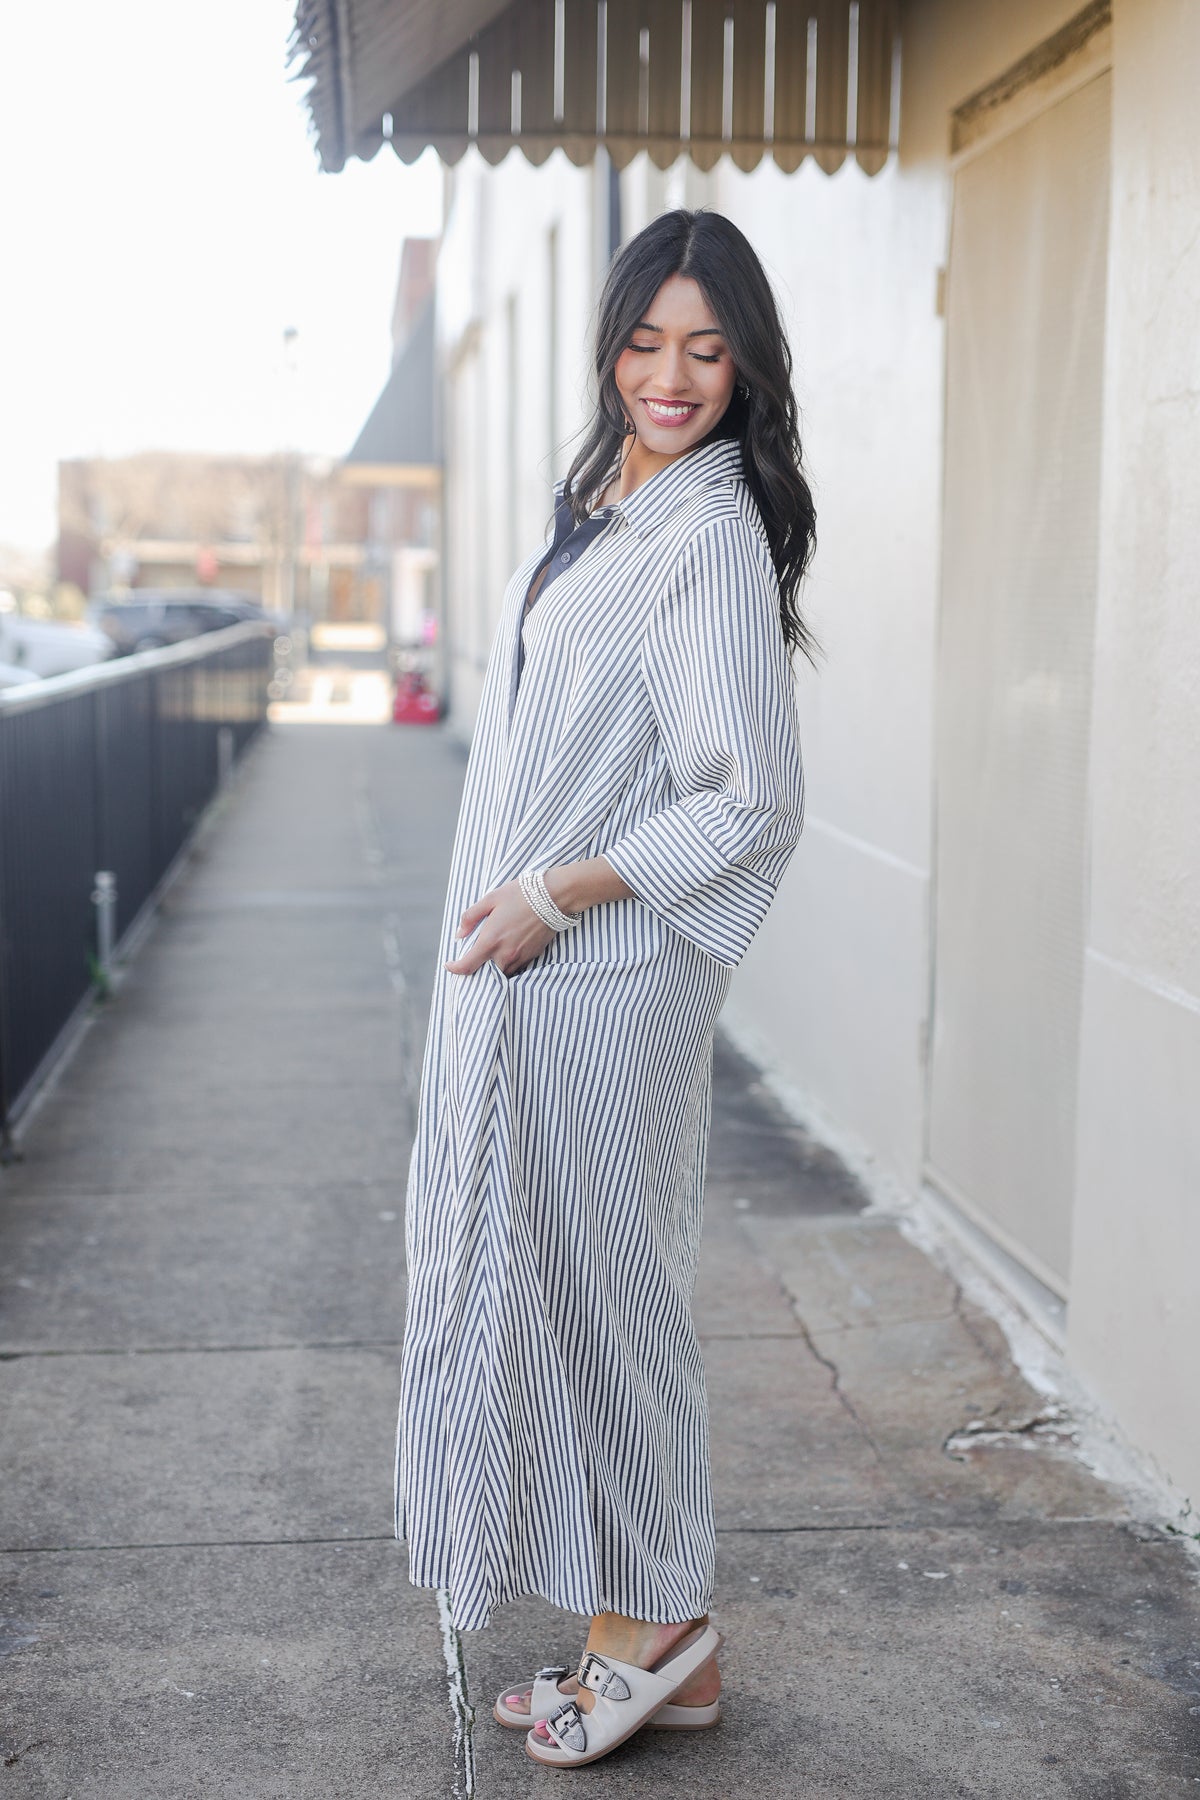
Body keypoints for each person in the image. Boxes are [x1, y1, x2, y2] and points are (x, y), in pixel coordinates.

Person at [394, 206, 816, 1771]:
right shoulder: (610, 502)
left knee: (610, 1303)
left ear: (748, 365)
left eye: (708, 350)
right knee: (566, 1297)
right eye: (647, 342)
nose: (672, 375)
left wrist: (557, 891)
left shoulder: (703, 536)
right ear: (610, 345)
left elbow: (750, 798)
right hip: (538, 978)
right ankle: (653, 1641)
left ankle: (656, 1621)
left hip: (601, 981)